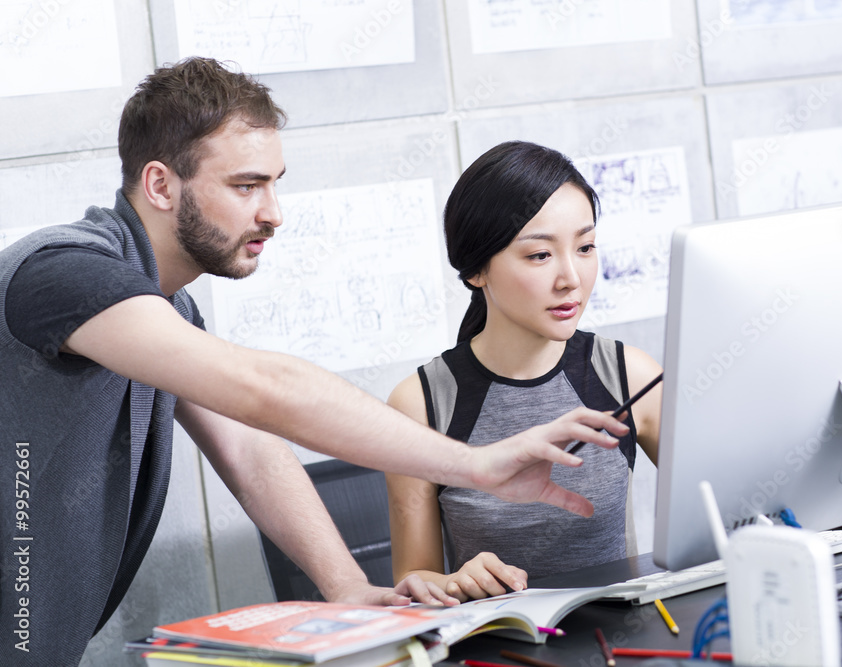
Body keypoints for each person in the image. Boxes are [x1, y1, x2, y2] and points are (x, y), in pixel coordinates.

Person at [0, 60, 628, 666]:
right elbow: (264, 390)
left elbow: (250, 449)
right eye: (246, 185)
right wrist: (478, 465)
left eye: (275, 183)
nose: (273, 212)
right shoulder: (61, 272)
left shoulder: (167, 308)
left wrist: (348, 589)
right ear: (161, 185)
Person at [385, 141, 663, 601]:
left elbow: (726, 507)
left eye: (586, 247)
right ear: (477, 270)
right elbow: (412, 579)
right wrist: (454, 581)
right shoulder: (420, 404)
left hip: (624, 639)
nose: (571, 277)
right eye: (540, 255)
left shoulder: (630, 376)